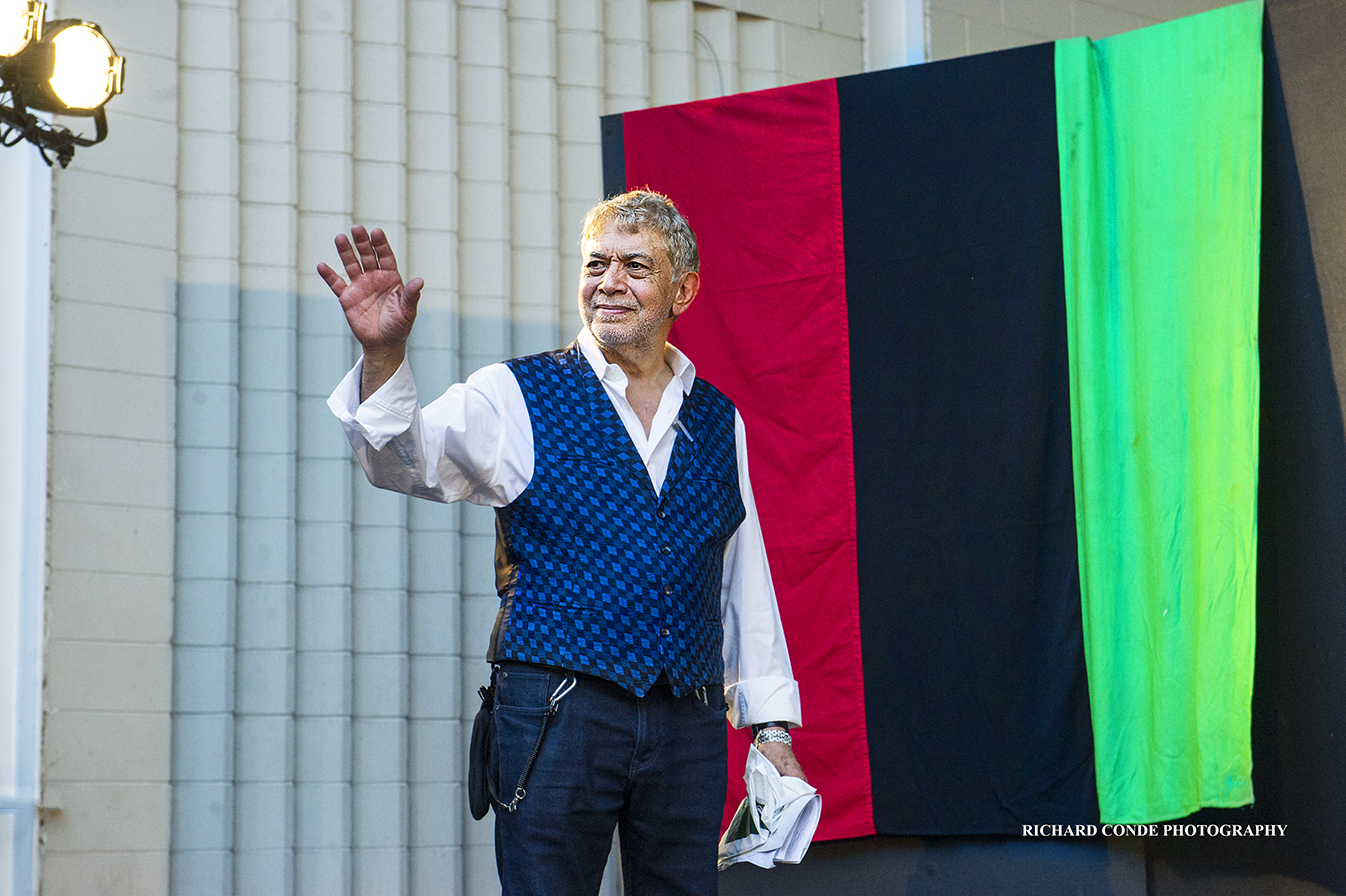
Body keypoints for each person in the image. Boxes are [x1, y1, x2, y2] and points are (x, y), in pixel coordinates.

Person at [320, 190, 805, 896]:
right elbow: (401, 460)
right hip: (558, 710)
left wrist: (772, 731)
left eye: (635, 266)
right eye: (596, 263)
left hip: (686, 721)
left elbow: (741, 579)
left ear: (684, 289)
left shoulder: (718, 418)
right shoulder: (517, 392)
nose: (609, 282)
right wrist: (385, 354)